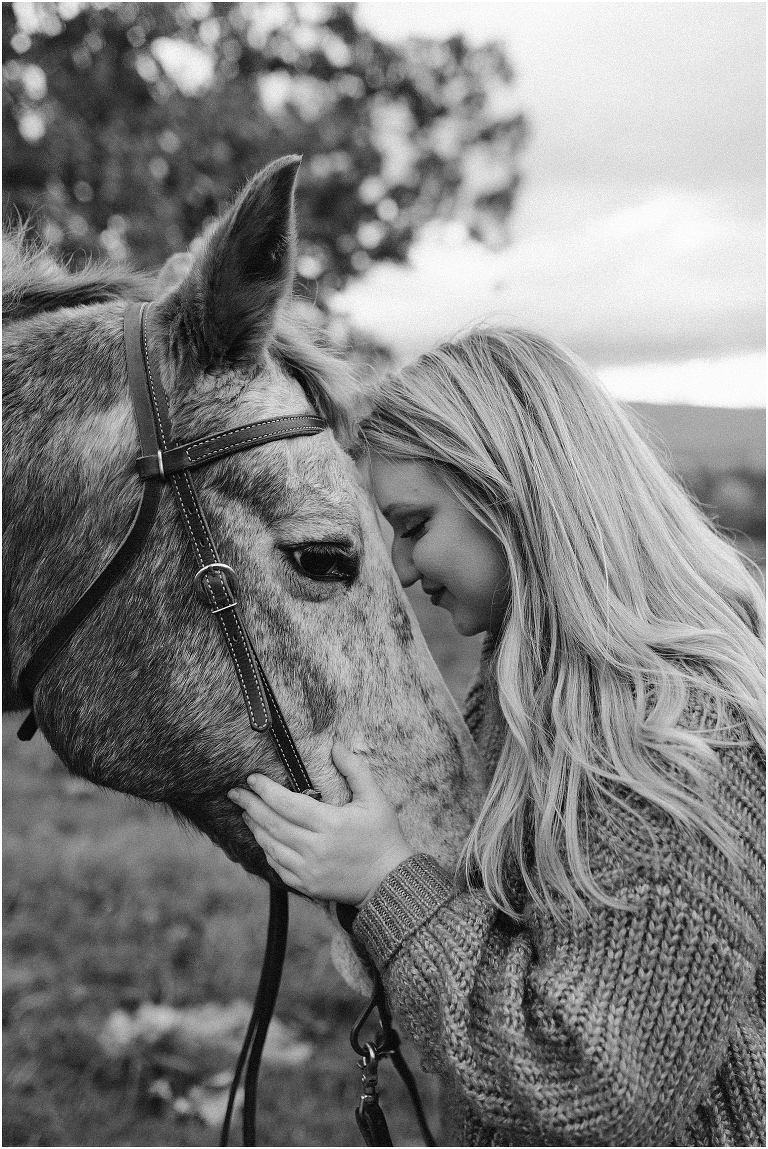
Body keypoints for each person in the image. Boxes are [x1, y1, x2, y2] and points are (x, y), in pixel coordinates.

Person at [229, 325, 765, 1147]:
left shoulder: (678, 737)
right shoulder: (528, 695)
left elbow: (592, 1089)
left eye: (412, 525)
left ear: (509, 491)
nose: (403, 570)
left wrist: (385, 880)